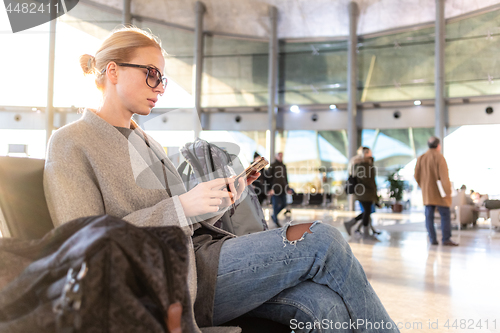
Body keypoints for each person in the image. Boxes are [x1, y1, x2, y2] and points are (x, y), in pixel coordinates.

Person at [44, 27, 400, 332]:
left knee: (323, 305)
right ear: (114, 71)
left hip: (201, 259)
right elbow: (83, 249)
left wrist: (220, 200)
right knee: (323, 239)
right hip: (165, 280)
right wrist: (182, 207)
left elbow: (181, 219)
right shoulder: (71, 143)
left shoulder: (145, 140)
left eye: (162, 78)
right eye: (151, 73)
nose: (160, 87)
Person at [414, 137, 459, 246]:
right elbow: (444, 177)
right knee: (445, 215)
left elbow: (416, 175)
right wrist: (448, 191)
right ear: (438, 145)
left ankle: (432, 239)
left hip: (428, 193)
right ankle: (446, 239)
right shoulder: (439, 157)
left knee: (429, 216)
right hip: (440, 194)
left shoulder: (421, 158)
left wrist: (423, 186)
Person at [344, 147, 379, 238]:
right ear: (366, 153)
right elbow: (368, 180)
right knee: (367, 211)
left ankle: (353, 225)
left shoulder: (357, 163)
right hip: (366, 191)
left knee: (367, 211)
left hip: (361, 191)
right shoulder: (365, 163)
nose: (371, 153)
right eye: (370, 152)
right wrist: (375, 193)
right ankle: (365, 232)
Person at [266, 152, 292, 227]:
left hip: (283, 189)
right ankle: (276, 221)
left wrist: (288, 188)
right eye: (279, 156)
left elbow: (285, 178)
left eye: (282, 156)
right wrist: (270, 189)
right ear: (276, 156)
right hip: (275, 190)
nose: (281, 157)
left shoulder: (283, 166)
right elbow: (268, 178)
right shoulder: (272, 166)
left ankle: (274, 216)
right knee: (275, 205)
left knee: (284, 204)